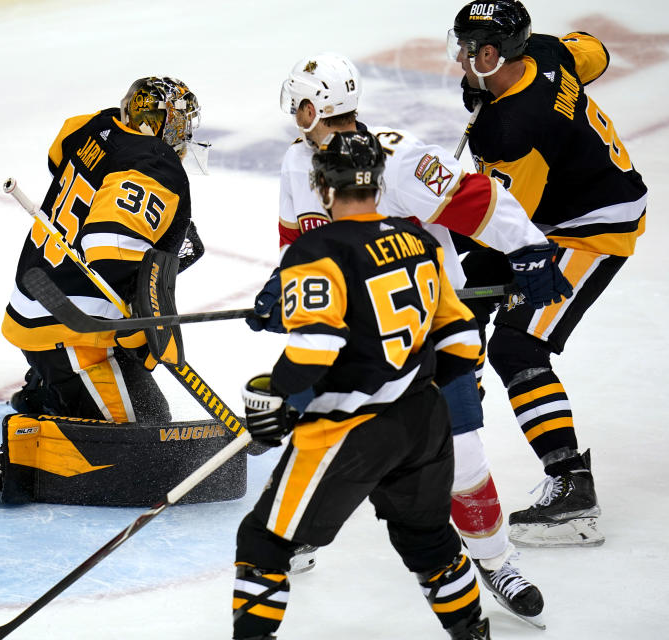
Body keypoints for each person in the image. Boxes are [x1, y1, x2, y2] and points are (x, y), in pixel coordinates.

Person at [247, 52, 554, 626]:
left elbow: (476, 198)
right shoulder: (297, 164)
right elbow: (300, 244)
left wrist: (531, 249)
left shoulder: (397, 156)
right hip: (352, 337)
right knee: (334, 437)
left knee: (461, 458)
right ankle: (305, 529)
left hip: (429, 331)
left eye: (300, 104)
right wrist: (280, 286)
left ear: (314, 106)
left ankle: (495, 558)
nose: (295, 115)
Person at [233, 130, 491, 640]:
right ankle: (473, 634)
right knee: (429, 541)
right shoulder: (417, 240)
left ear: (324, 186)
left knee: (263, 542)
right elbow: (462, 340)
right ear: (377, 185)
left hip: (350, 430)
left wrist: (280, 396)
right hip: (424, 424)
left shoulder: (316, 248)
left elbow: (315, 349)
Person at [447, 0, 647, 547]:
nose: (459, 58)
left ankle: (572, 491)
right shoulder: (544, 51)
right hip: (572, 203)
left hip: (590, 229)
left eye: (468, 49)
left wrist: (443, 258)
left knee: (517, 348)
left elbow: (508, 225)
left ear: (490, 54)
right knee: (475, 310)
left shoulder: (512, 132)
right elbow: (595, 52)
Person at [0, 77, 203, 507]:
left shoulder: (93, 126)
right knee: (147, 442)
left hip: (37, 299)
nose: (183, 138)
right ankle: (9, 461)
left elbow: (60, 152)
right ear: (159, 124)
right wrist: (143, 330)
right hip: (72, 328)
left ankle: (45, 392)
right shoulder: (156, 165)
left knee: (136, 396)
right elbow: (111, 253)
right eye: (178, 127)